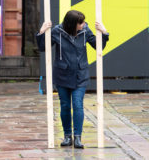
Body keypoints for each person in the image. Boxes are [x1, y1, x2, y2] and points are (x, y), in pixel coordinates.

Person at [36, 10, 109, 149]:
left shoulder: (85, 31)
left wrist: (104, 32)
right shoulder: (57, 31)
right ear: (72, 23)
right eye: (80, 22)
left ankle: (77, 138)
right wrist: (42, 31)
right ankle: (67, 136)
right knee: (64, 105)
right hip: (62, 74)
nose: (83, 24)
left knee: (77, 105)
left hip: (80, 75)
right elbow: (42, 47)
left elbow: (99, 46)